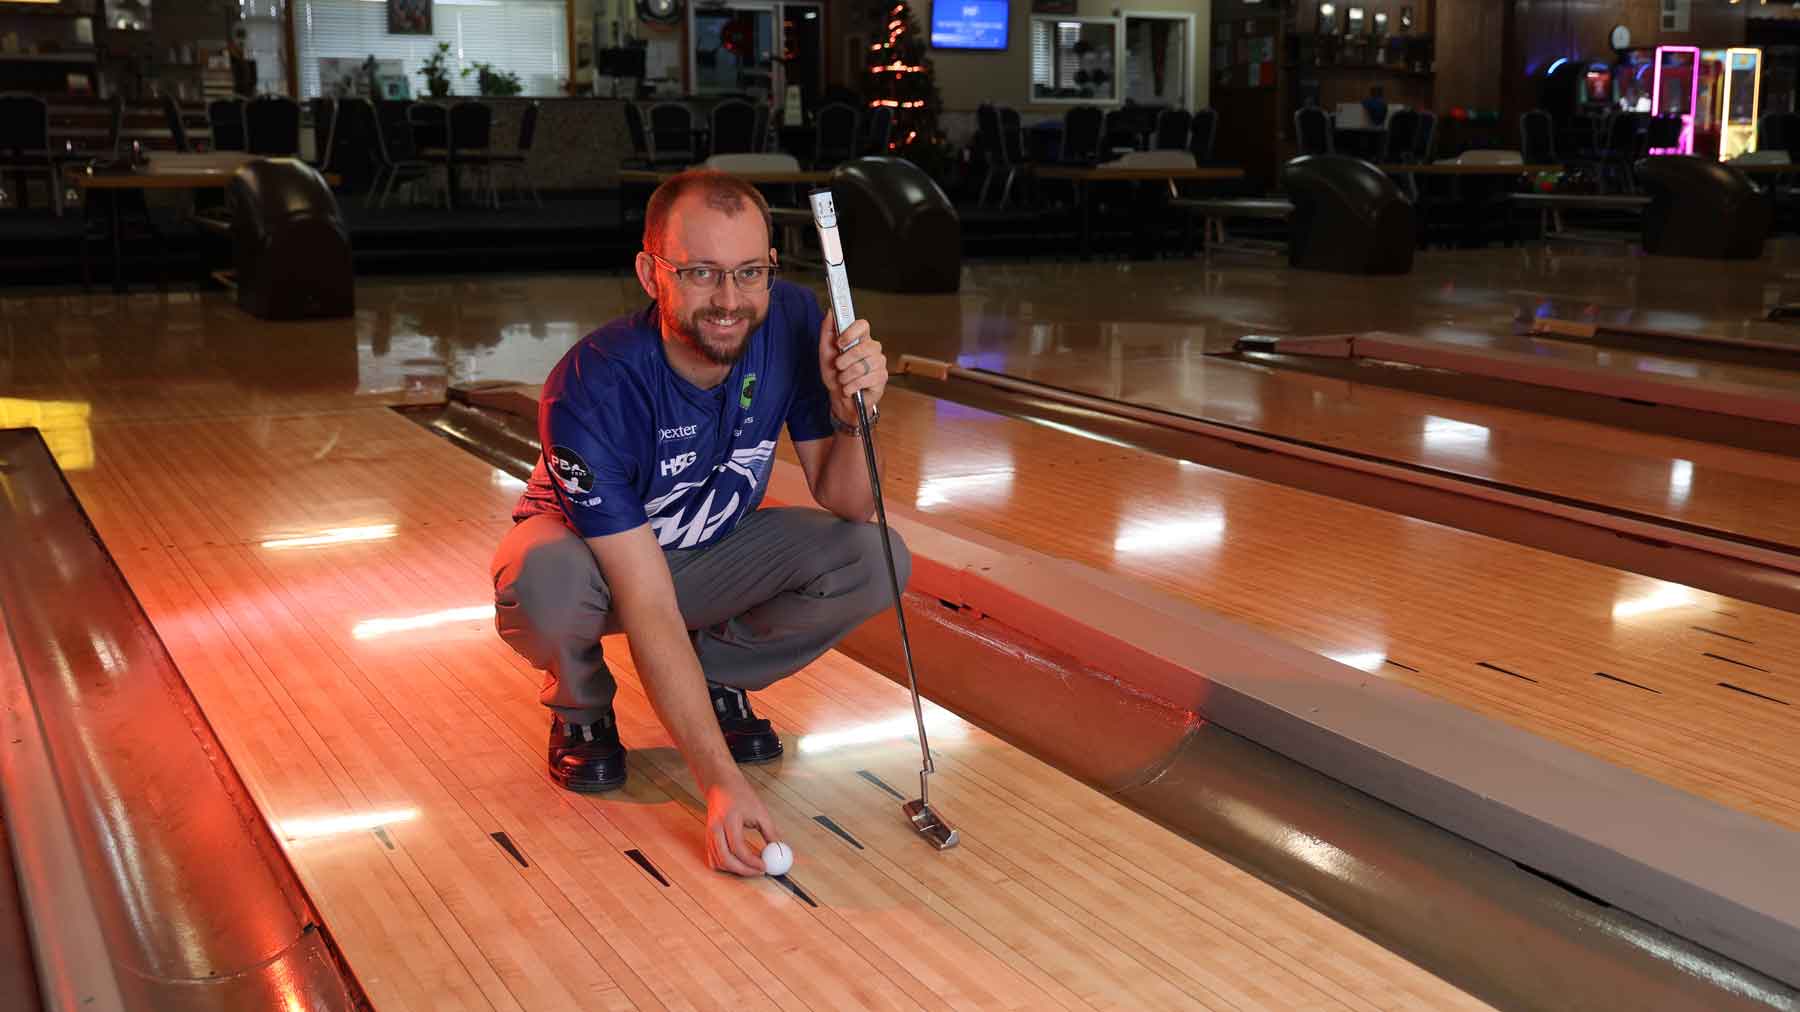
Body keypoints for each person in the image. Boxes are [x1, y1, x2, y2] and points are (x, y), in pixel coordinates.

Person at [490, 170, 908, 877]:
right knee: (546, 576)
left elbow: (848, 501)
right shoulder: (592, 384)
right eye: (701, 273)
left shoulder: (794, 321)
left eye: (749, 272)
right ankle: (581, 706)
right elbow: (646, 599)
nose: (729, 300)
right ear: (652, 274)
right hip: (599, 568)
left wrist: (856, 409)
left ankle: (715, 675)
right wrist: (717, 778)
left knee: (876, 555)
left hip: (707, 556)